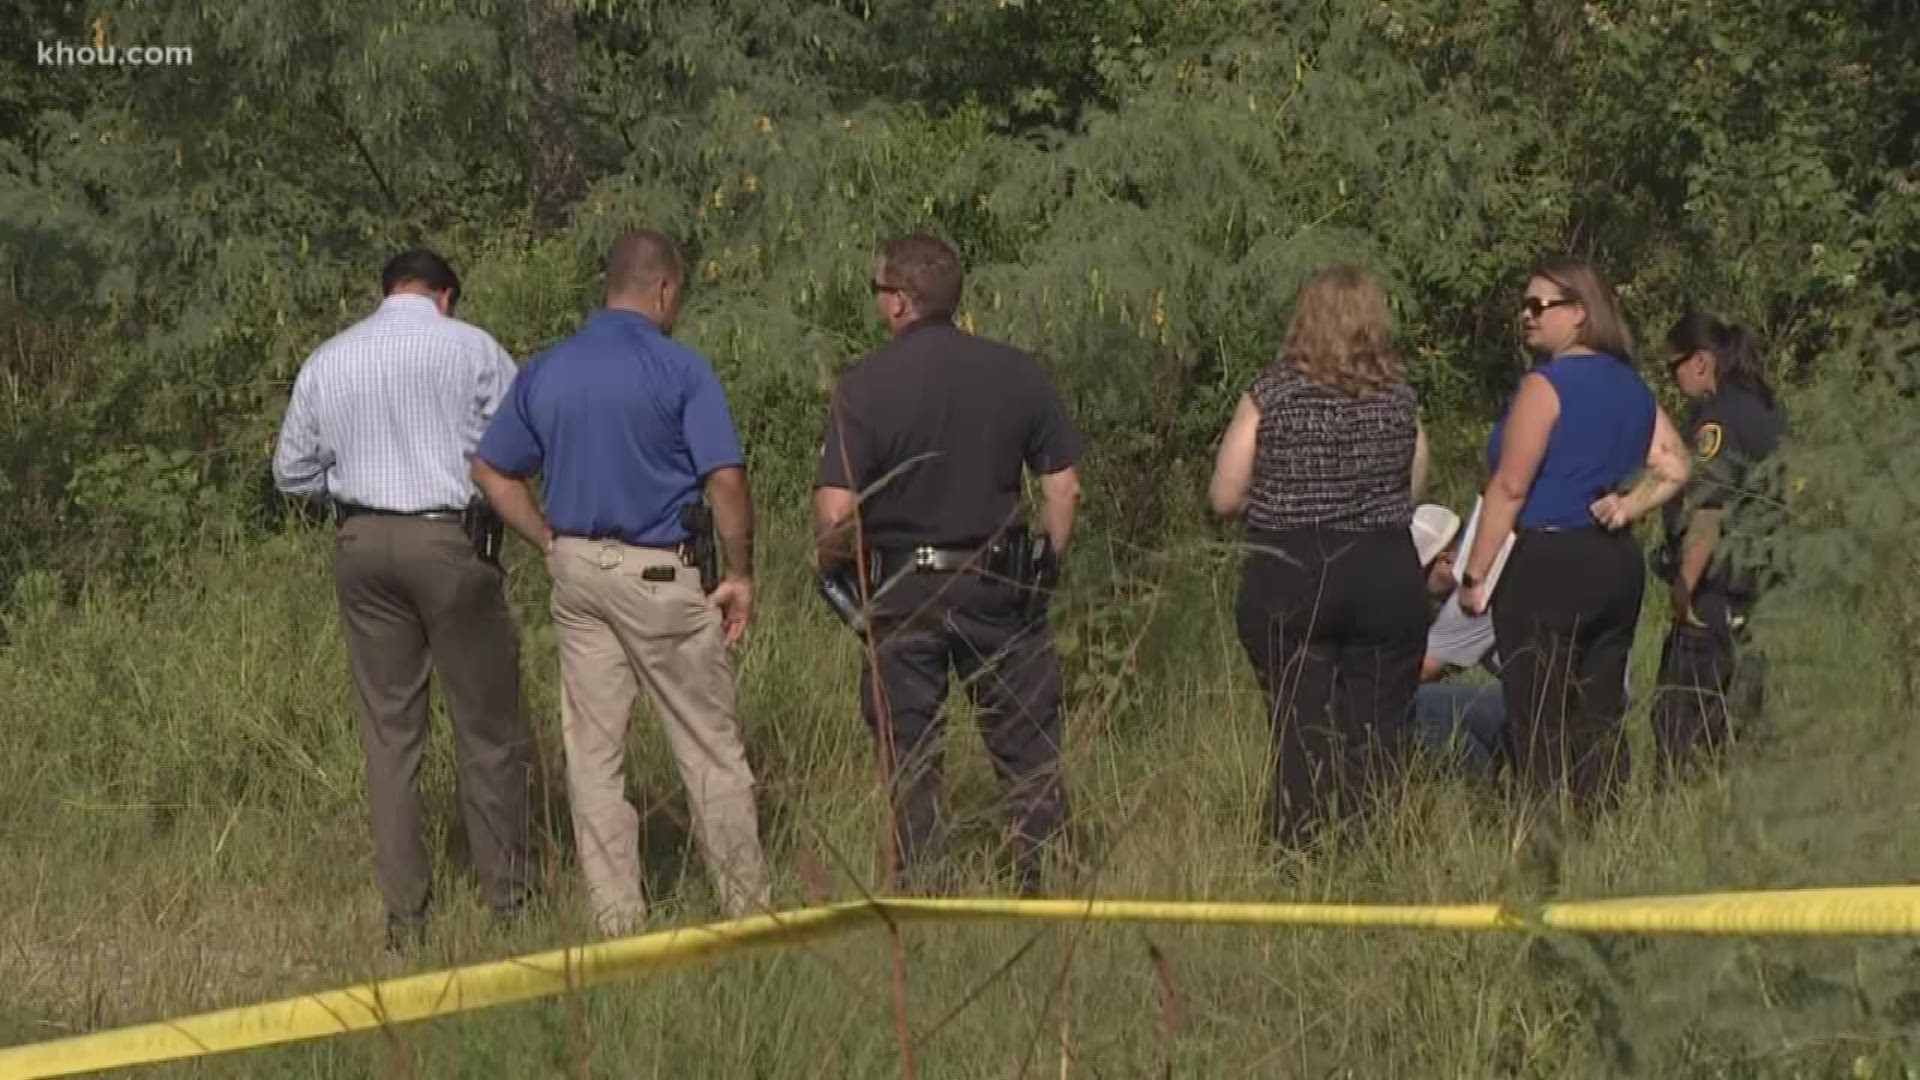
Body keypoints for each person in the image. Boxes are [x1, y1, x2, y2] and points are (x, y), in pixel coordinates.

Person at [470, 229, 771, 934]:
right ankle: (748, 913)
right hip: (661, 573)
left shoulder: (546, 369)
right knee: (708, 750)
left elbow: (490, 469)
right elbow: (724, 477)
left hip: (577, 575)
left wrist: (545, 536)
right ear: (663, 290)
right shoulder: (680, 369)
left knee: (594, 756)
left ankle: (617, 924)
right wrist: (740, 572)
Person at [271, 249, 535, 953]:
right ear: (445, 295)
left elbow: (291, 471)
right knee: (486, 726)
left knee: (389, 737)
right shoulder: (472, 348)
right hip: (448, 540)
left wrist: (354, 492)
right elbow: (522, 441)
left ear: (387, 290)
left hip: (361, 544)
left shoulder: (331, 358)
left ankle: (406, 919)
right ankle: (510, 899)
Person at [813, 233, 1083, 895]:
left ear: (901, 302)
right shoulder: (1018, 373)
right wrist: (1041, 569)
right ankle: (1045, 883)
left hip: (902, 590)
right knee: (1027, 750)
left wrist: (839, 574)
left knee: (911, 758)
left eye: (879, 292)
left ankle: (925, 893)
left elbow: (836, 514)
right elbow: (1063, 487)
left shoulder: (864, 386)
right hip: (998, 583)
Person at [1457, 255, 1690, 821]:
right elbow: (1677, 464)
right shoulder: (1633, 387)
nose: (1527, 316)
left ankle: (1542, 834)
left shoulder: (1546, 385)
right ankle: (1602, 828)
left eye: (1541, 305)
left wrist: (1475, 572)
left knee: (1538, 711)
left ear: (1580, 314)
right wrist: (1630, 504)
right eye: (1525, 304)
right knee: (1600, 706)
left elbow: (1510, 486)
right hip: (1612, 564)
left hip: (1546, 561)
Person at [1209, 264, 1430, 849]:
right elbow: (1411, 492)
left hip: (1291, 567)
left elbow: (1225, 495)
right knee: (1379, 727)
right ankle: (1374, 849)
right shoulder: (1400, 399)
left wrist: (1283, 493)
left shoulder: (1271, 393)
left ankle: (1297, 850)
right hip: (1383, 568)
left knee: (1300, 726)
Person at [1650, 312, 1785, 776]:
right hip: (1762, 583)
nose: (1673, 379)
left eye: (1676, 366)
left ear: (1702, 361)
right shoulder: (1763, 406)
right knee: (1741, 712)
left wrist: (1684, 586)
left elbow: (1709, 511)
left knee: (1681, 717)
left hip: (1718, 586)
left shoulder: (1718, 419)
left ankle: (1678, 813)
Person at [1409, 505, 1508, 777]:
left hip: (1560, 709)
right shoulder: (1499, 566)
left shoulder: (1470, 601)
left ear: (1445, 561)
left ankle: (1477, 793)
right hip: (1574, 701)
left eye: (1418, 577)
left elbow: (1419, 672)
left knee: (1417, 706)